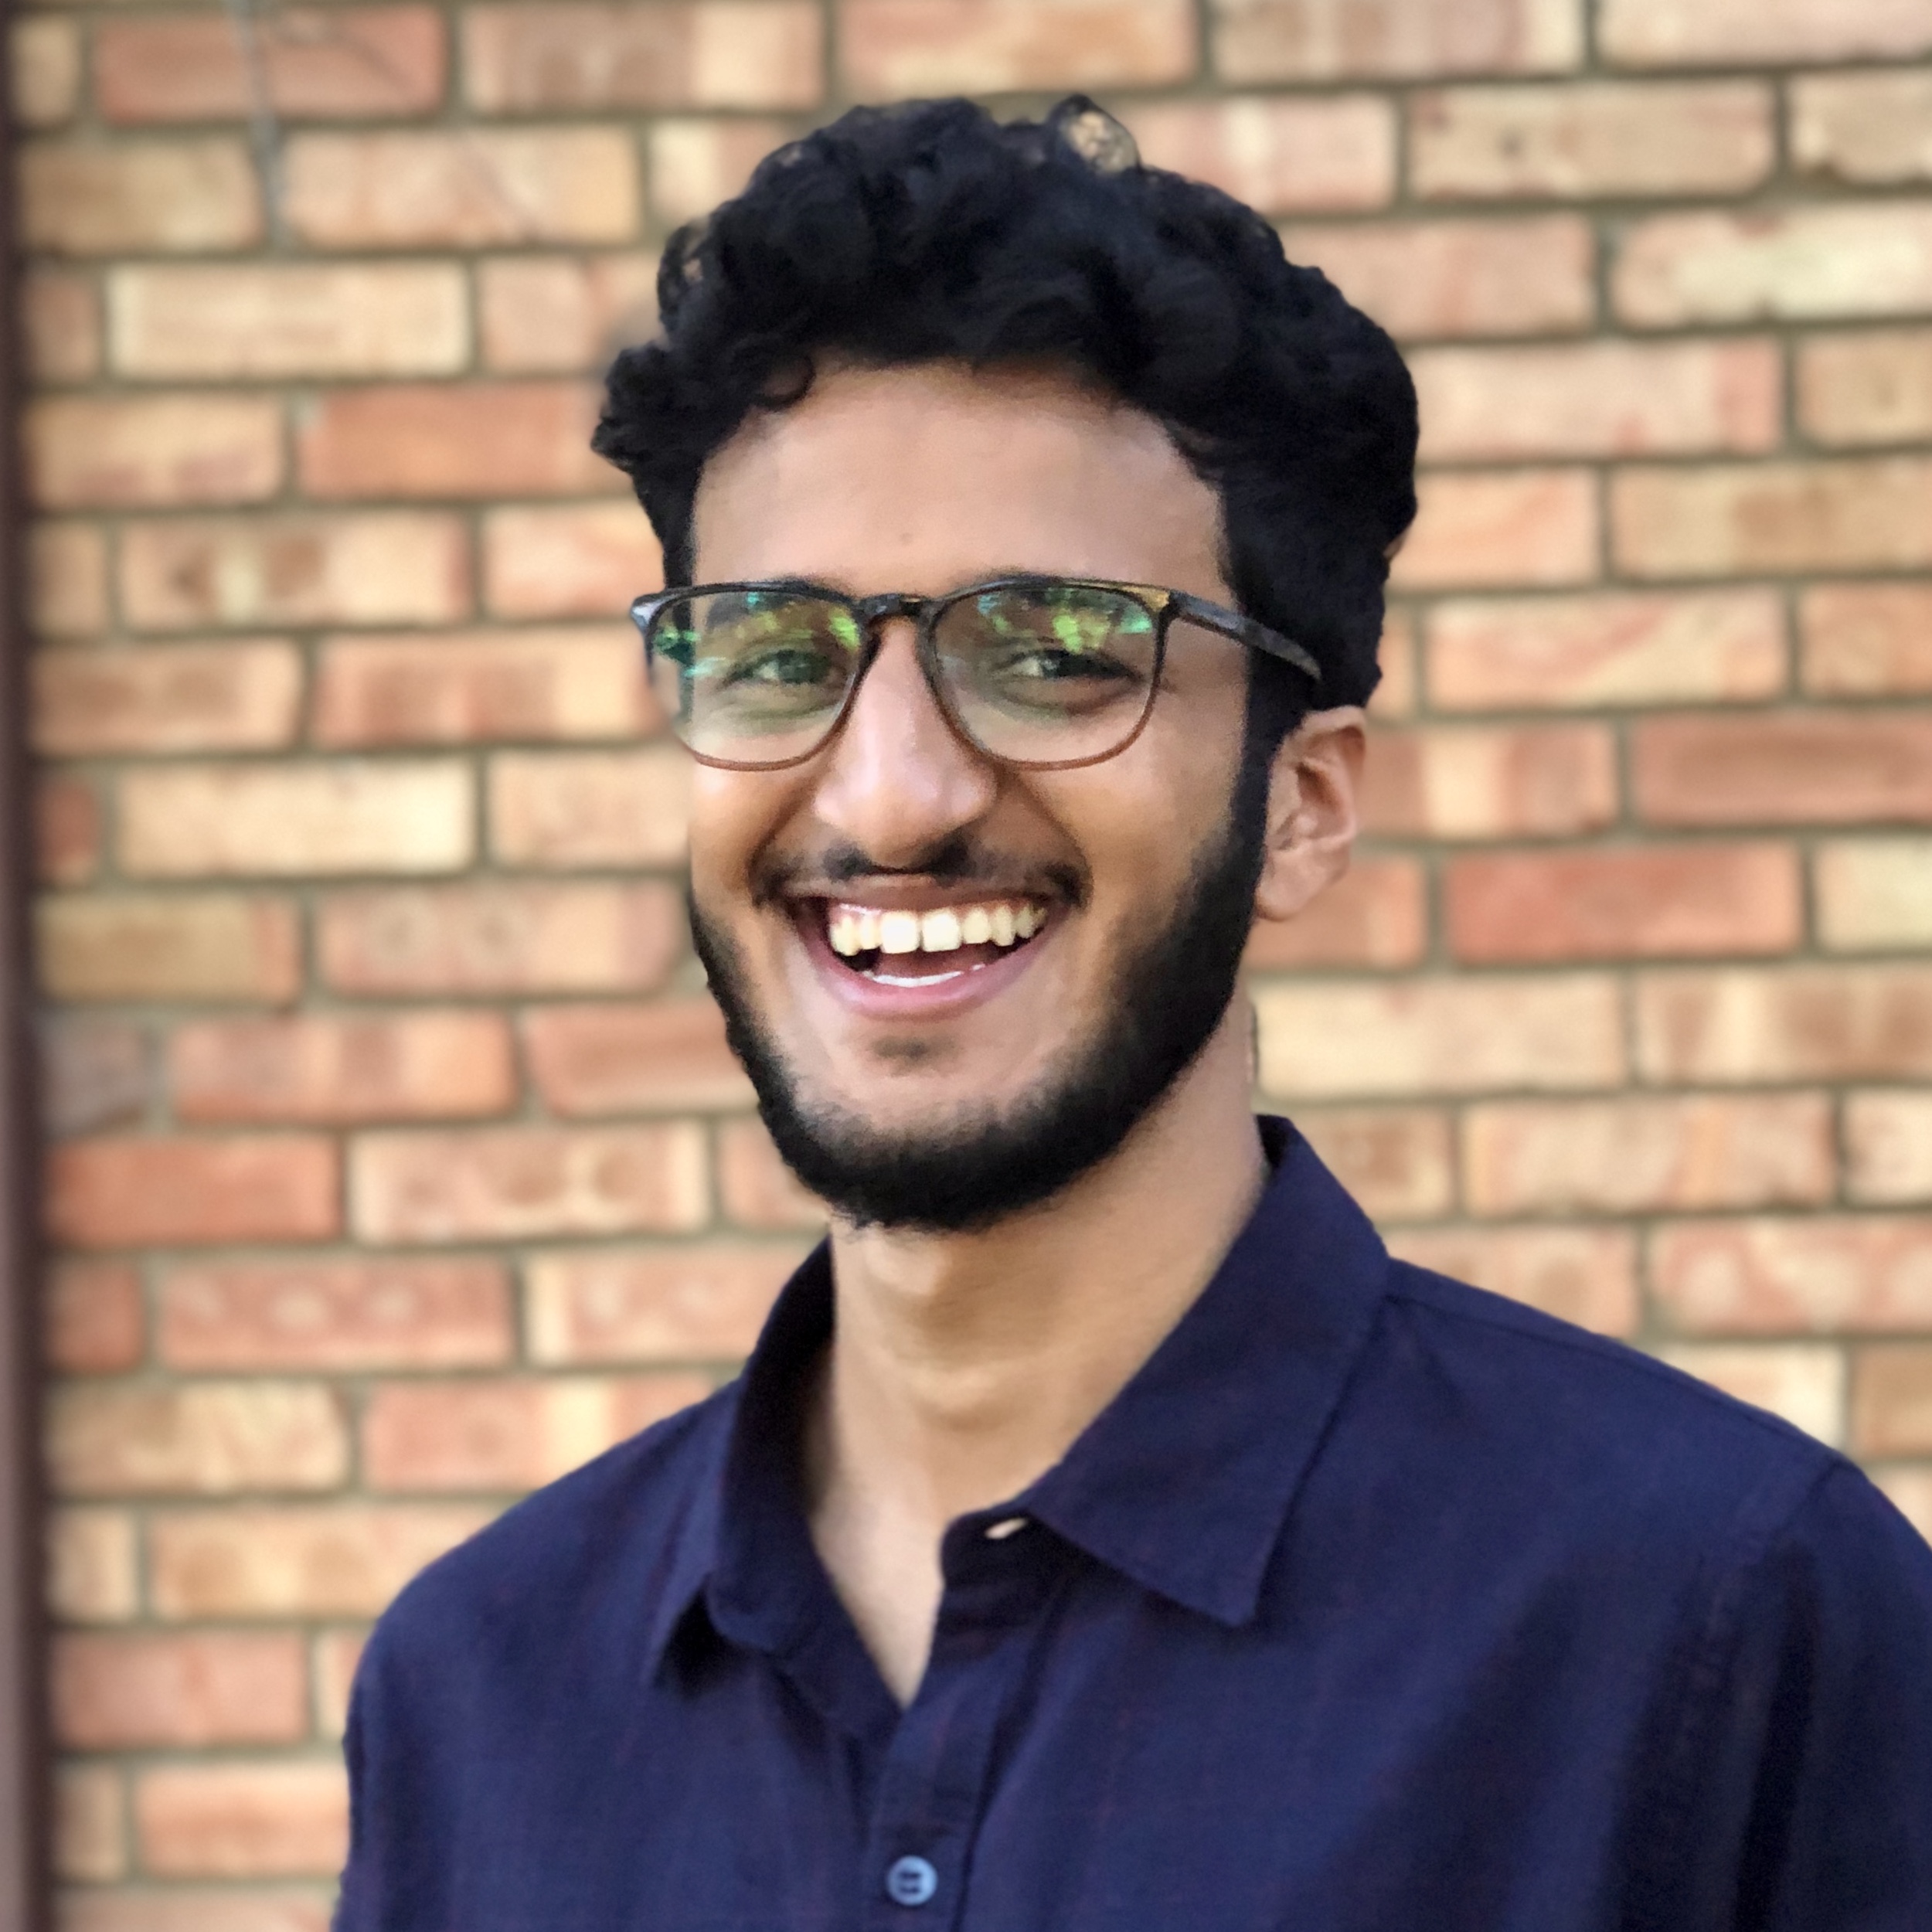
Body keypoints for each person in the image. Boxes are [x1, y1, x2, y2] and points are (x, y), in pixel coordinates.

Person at [334, 97, 1932, 1930]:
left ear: (1302, 804)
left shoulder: (1710, 1620)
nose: (890, 796)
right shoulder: (480, 1685)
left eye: (1051, 651)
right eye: (776, 654)